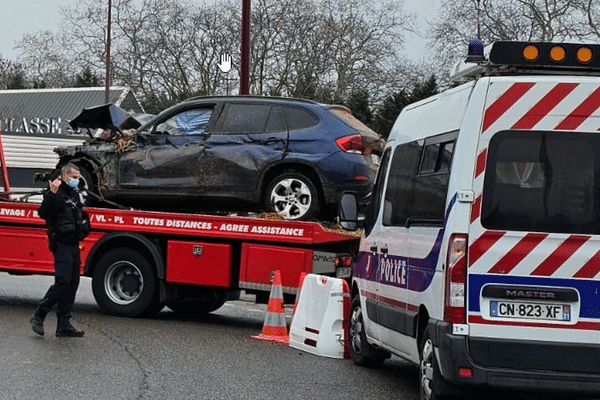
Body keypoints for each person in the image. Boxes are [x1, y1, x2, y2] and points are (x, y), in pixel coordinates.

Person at [30, 163, 90, 337]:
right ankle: (39, 314)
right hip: (61, 244)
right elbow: (43, 212)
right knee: (63, 281)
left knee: (72, 283)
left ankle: (64, 324)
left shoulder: (74, 195)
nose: (77, 180)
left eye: (78, 177)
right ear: (64, 177)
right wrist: (52, 193)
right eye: (74, 177)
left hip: (74, 244)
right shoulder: (56, 194)